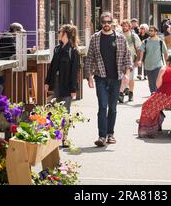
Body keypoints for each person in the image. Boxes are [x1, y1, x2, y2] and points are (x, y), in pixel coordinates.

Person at [84, 12, 132, 147]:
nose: (106, 24)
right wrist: (89, 77)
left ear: (112, 23)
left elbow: (127, 57)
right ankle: (101, 136)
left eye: (108, 22)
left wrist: (127, 75)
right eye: (104, 22)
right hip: (100, 78)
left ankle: (110, 134)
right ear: (101, 23)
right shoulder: (95, 38)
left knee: (113, 108)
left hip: (116, 78)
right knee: (102, 106)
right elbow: (89, 58)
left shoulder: (120, 38)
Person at [137, 54, 171, 138]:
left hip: (166, 99)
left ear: (168, 62)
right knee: (154, 103)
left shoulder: (164, 69)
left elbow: (158, 85)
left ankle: (147, 130)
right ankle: (157, 121)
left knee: (146, 105)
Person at [45, 24, 80, 147]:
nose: (58, 33)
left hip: (67, 86)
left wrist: (73, 89)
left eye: (60, 31)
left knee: (65, 111)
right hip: (56, 84)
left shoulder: (73, 51)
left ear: (66, 34)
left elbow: (74, 72)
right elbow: (52, 67)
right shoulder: (57, 49)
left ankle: (65, 138)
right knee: (55, 111)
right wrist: (47, 82)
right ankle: (55, 138)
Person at [0, 22, 25, 95]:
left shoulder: (8, 36)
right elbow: (15, 51)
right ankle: (5, 102)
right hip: (3, 67)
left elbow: (15, 50)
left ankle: (5, 101)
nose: (20, 34)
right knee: (9, 83)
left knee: (11, 82)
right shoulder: (9, 37)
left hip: (4, 65)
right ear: (15, 30)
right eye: (20, 32)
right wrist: (28, 50)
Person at [138, 26, 168, 95]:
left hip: (158, 65)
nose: (150, 32)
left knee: (157, 81)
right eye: (149, 31)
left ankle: (156, 94)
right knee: (150, 82)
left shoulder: (160, 42)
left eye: (152, 31)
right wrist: (140, 60)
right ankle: (153, 93)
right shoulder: (145, 42)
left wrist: (167, 65)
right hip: (148, 65)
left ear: (156, 32)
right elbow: (142, 51)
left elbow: (165, 53)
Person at [119, 20, 141, 103]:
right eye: (123, 26)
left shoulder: (133, 36)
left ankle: (130, 93)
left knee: (130, 78)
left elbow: (139, 48)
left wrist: (138, 60)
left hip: (131, 59)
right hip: (120, 59)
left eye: (126, 26)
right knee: (122, 77)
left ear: (129, 26)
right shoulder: (119, 35)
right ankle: (121, 93)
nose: (124, 27)